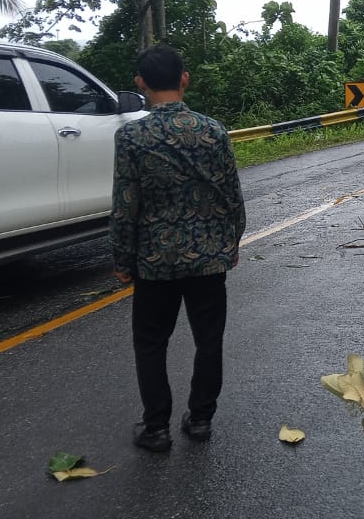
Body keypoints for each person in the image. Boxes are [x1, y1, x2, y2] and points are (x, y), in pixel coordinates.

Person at [111, 45, 246, 453]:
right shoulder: (213, 131)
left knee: (151, 342)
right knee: (209, 339)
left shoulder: (132, 136)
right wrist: (231, 242)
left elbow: (125, 203)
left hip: (154, 261)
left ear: (140, 84)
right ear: (184, 78)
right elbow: (232, 196)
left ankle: (156, 428)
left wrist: (122, 258)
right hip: (208, 259)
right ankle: (201, 419)